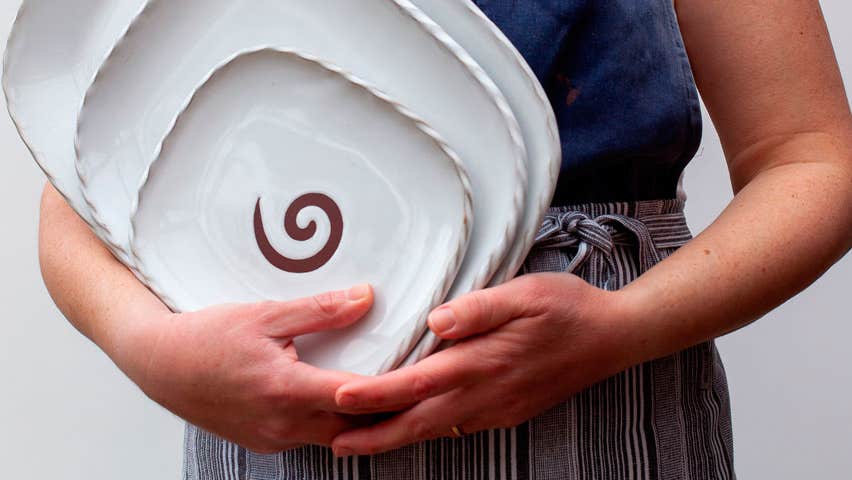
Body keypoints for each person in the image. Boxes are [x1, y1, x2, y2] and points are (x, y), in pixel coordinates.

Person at [39, 1, 851, 479]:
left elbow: (813, 158)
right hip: (275, 438)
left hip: (609, 411)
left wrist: (617, 330)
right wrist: (149, 349)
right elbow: (79, 193)